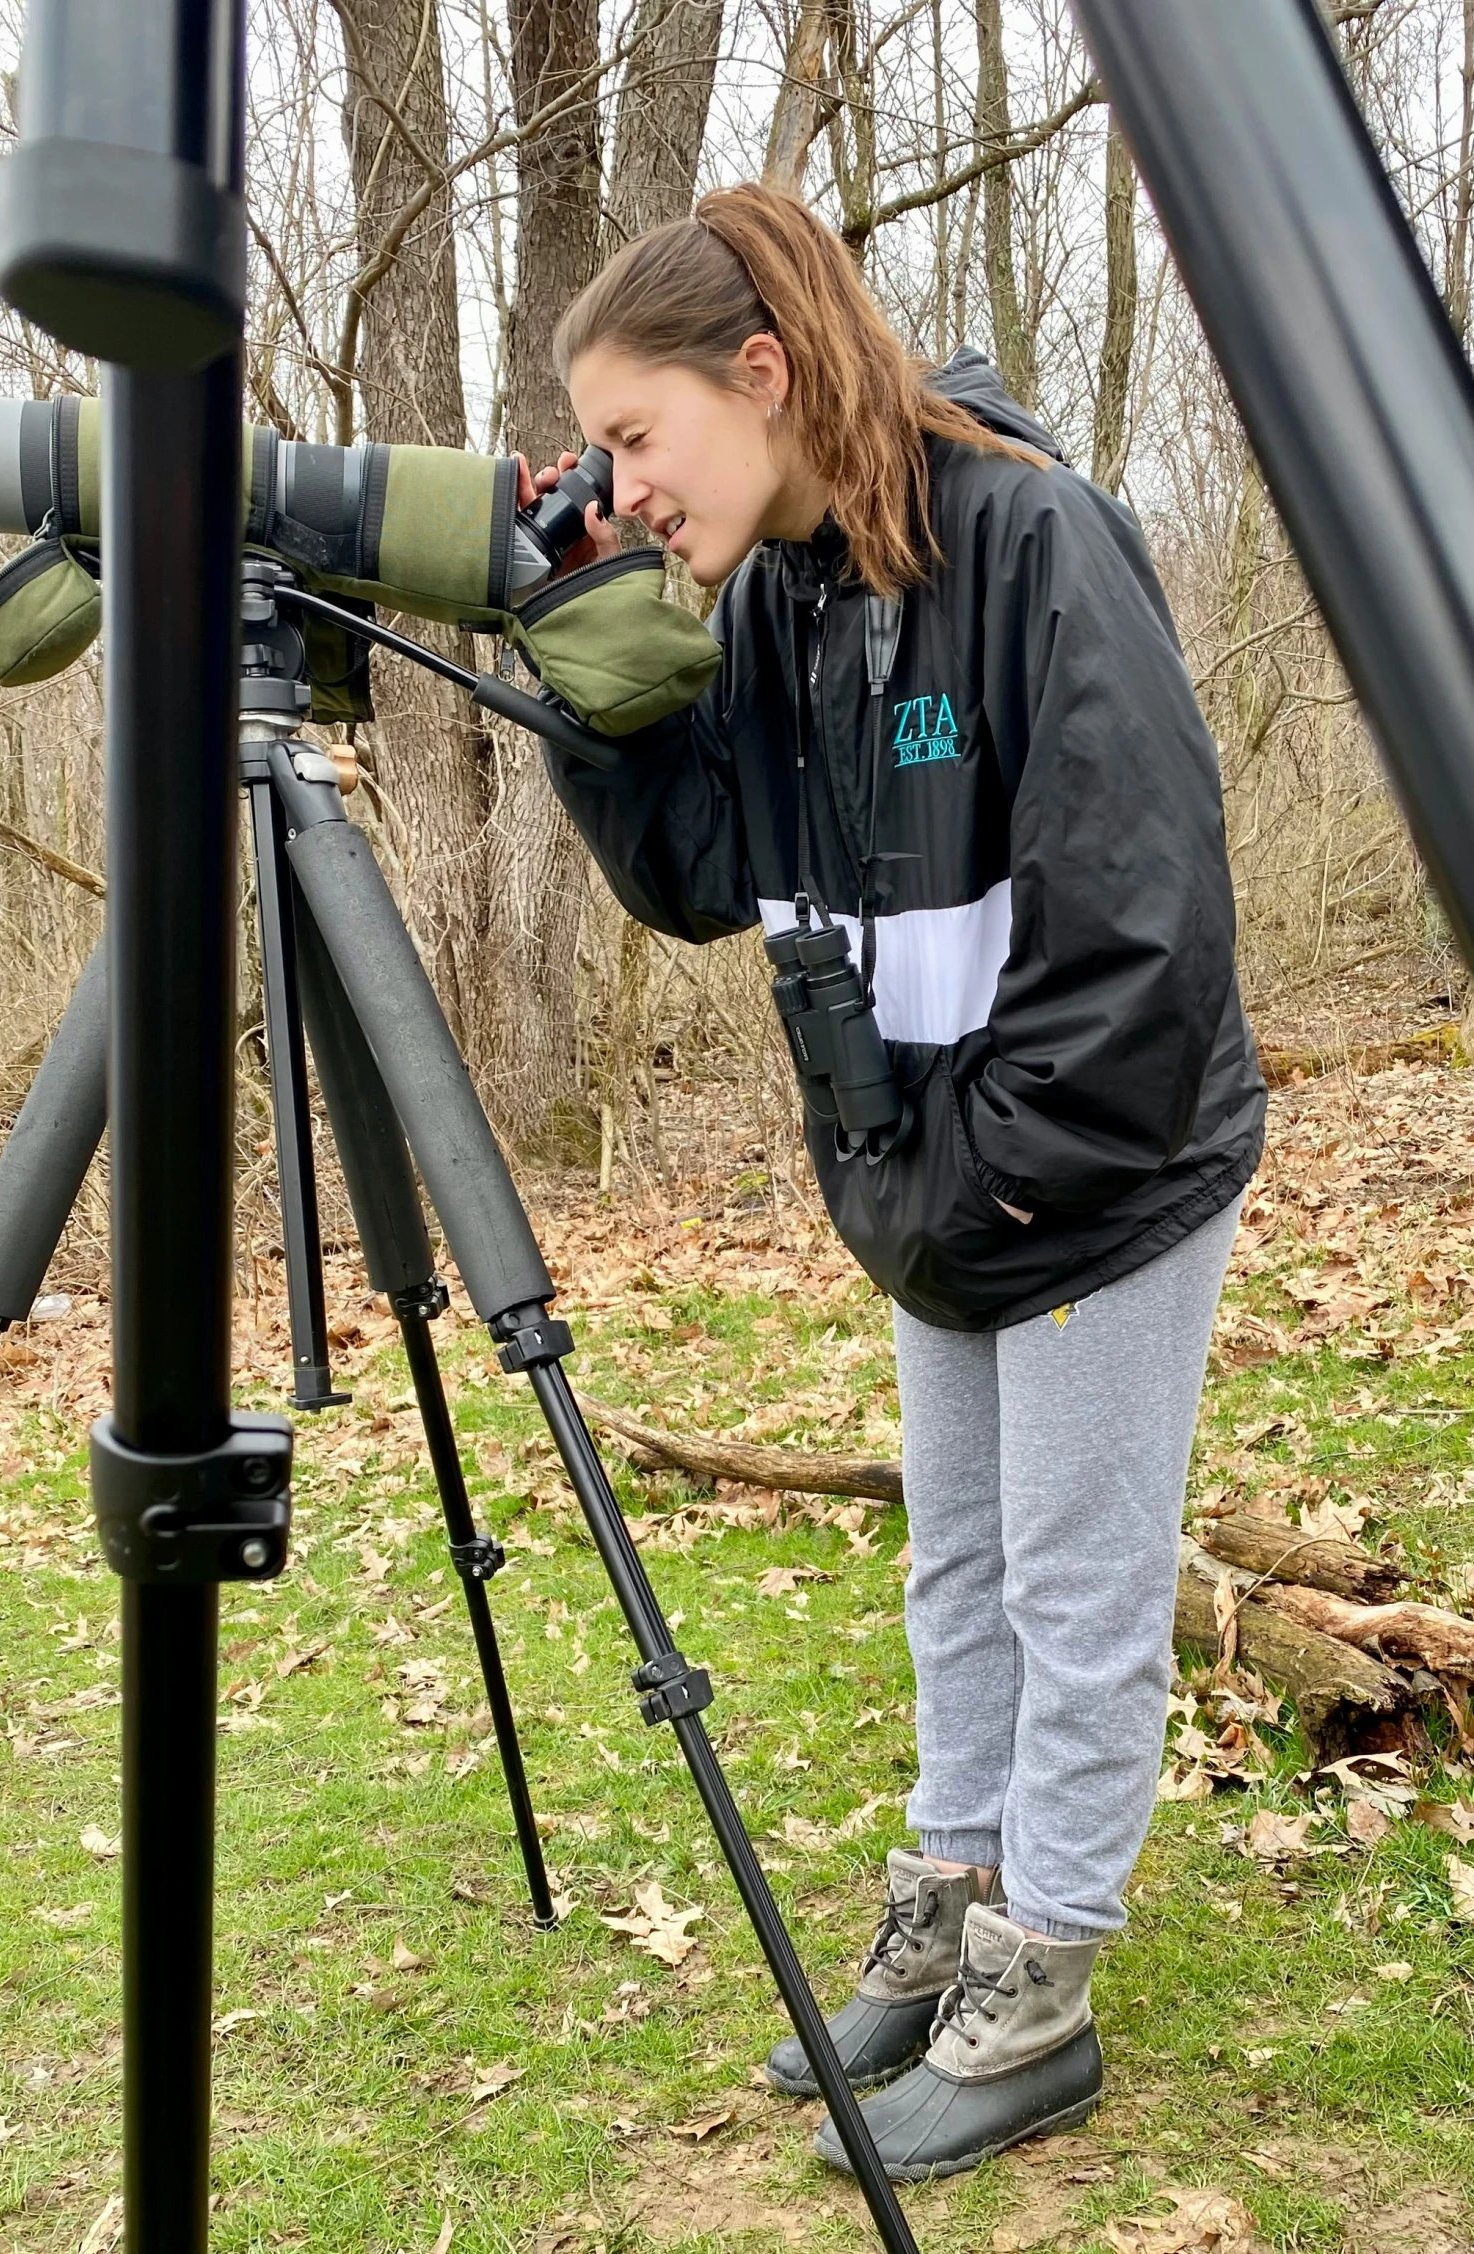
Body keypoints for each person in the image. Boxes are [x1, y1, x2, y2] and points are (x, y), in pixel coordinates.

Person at [522, 183, 1266, 2183]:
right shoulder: (777, 597)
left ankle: (1041, 1985)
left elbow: (1143, 923)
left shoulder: (1021, 533)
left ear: (758, 372)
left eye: (635, 436)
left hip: (1086, 1176)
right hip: (934, 1184)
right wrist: (580, 642)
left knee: (1073, 1576)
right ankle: (948, 1905)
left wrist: (991, 1184)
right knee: (955, 1562)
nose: (621, 476)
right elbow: (695, 870)